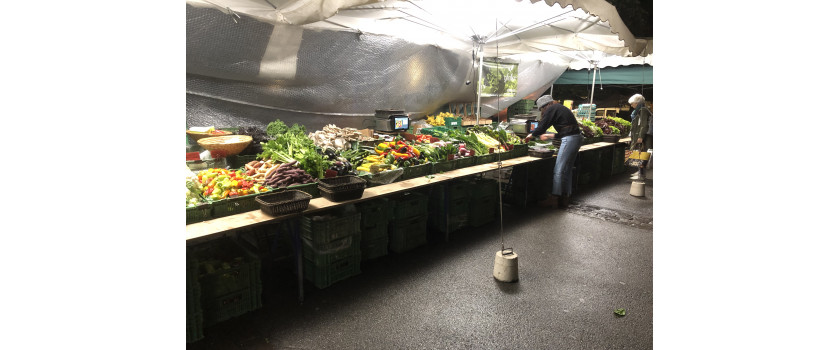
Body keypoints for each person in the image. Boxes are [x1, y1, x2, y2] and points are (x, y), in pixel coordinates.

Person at [524, 95, 583, 208]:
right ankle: (565, 197)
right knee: (567, 169)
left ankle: (555, 198)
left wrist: (531, 135)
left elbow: (542, 125)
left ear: (545, 106)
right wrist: (550, 135)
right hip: (576, 137)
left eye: (542, 109)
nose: (543, 111)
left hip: (570, 139)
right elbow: (567, 129)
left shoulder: (552, 108)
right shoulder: (559, 108)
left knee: (558, 170)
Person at [628, 94, 652, 179]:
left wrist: (641, 136)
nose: (631, 105)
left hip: (644, 137)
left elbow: (643, 125)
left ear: (637, 103)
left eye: (632, 103)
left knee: (642, 154)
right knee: (640, 154)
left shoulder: (643, 110)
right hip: (640, 135)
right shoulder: (640, 110)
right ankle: (640, 173)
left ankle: (641, 174)